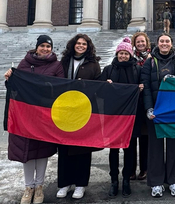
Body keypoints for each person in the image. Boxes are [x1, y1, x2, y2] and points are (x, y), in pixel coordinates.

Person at [4, 35, 64, 204]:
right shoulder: (25, 63)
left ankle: (39, 187)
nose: (45, 49)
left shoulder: (56, 65)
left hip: (44, 115)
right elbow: (16, 88)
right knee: (27, 151)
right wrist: (10, 78)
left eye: (48, 46)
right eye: (42, 46)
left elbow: (60, 87)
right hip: (26, 115)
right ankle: (28, 187)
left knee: (41, 151)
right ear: (37, 47)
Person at [141, 33, 175, 197]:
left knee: (173, 146)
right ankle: (156, 182)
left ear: (171, 44)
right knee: (154, 147)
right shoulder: (149, 62)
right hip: (155, 111)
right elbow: (146, 87)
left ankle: (173, 180)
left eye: (167, 41)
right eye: (162, 41)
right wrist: (149, 108)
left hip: (174, 111)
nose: (164, 43)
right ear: (157, 43)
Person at [56, 34, 102, 200]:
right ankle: (64, 183)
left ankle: (81, 184)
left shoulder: (93, 64)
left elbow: (98, 85)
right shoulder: (64, 62)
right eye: (78, 43)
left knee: (82, 148)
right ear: (73, 45)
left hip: (84, 112)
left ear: (88, 46)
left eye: (84, 44)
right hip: (65, 111)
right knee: (64, 148)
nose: (81, 46)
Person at [100, 37, 144, 198]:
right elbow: (98, 90)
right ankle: (114, 180)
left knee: (130, 149)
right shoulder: (108, 70)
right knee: (113, 150)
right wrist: (105, 84)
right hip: (113, 117)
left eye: (126, 53)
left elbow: (144, 90)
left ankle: (126, 179)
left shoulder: (137, 70)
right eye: (121, 53)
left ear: (130, 55)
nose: (123, 56)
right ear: (117, 54)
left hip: (131, 117)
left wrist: (140, 89)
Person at [130, 31, 151, 181]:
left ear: (147, 43)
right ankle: (130, 169)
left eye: (143, 42)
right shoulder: (129, 58)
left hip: (146, 103)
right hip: (131, 104)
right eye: (138, 42)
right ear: (134, 44)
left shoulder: (152, 59)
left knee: (145, 139)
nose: (141, 44)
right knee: (130, 140)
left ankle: (145, 168)